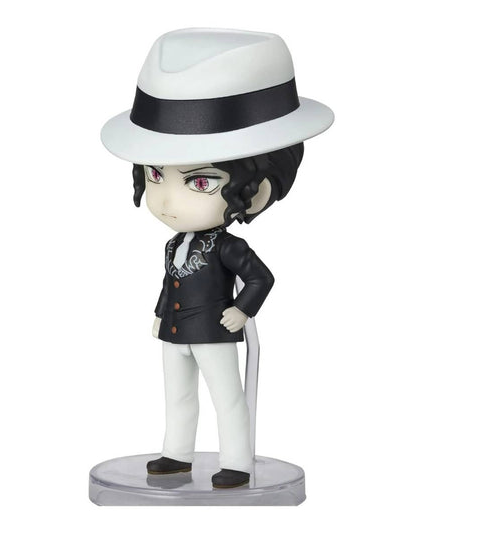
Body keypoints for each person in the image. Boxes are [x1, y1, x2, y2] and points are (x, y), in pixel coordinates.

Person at [100, 28, 334, 489]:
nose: (167, 200)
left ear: (255, 191)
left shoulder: (228, 247)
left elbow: (261, 278)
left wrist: (241, 310)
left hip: (214, 331)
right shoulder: (173, 244)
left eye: (200, 181)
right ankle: (176, 454)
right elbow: (170, 281)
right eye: (155, 175)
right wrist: (160, 313)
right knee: (177, 394)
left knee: (227, 397)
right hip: (175, 329)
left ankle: (237, 462)